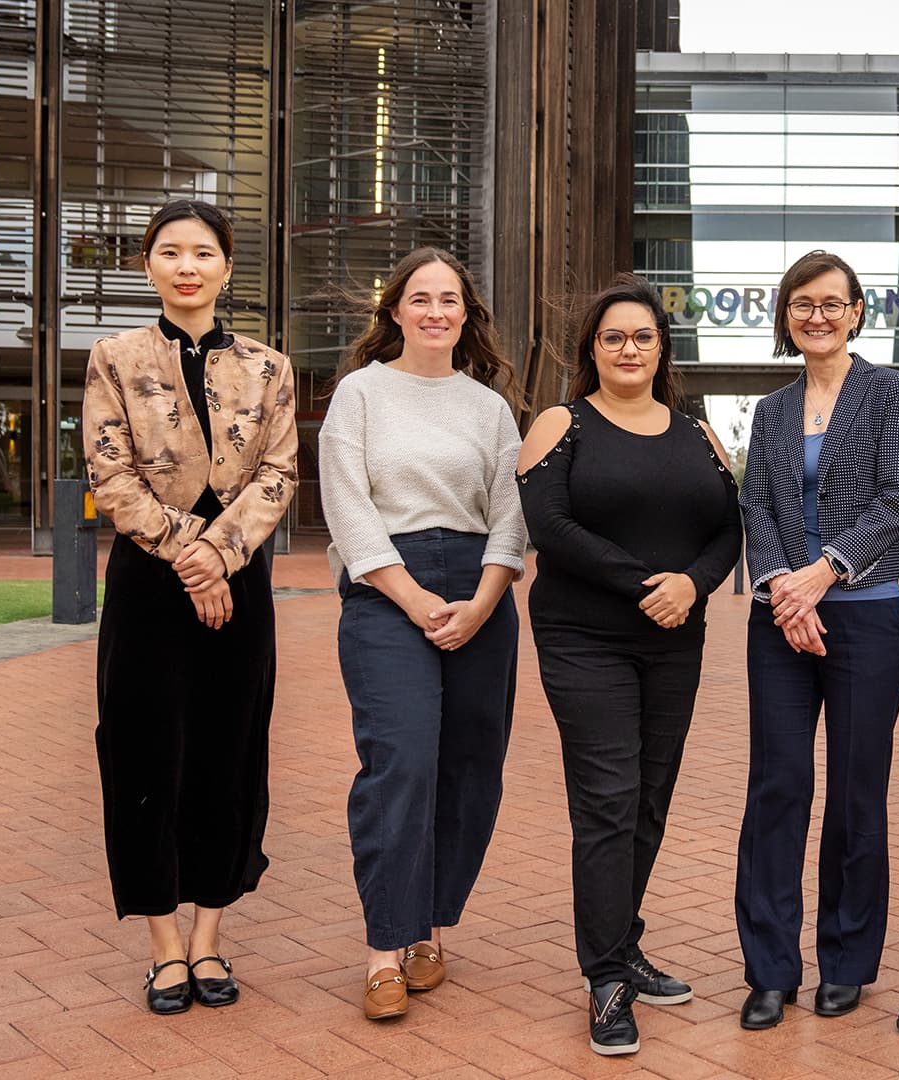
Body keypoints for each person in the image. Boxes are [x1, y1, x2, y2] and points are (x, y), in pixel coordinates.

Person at [517, 274, 742, 1056]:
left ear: (662, 348)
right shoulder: (561, 424)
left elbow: (729, 532)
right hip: (586, 639)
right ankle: (606, 978)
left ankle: (623, 940)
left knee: (649, 800)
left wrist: (693, 586)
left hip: (676, 637)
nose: (628, 348)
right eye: (613, 337)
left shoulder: (698, 434)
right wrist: (649, 584)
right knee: (609, 801)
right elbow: (550, 527)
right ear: (592, 349)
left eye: (642, 336)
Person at [83, 198, 298, 1015]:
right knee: (145, 753)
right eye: (169, 251)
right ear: (147, 266)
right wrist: (189, 555)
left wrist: (220, 556)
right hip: (147, 582)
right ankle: (164, 947)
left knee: (228, 748)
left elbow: (278, 473)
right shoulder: (114, 357)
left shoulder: (270, 368)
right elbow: (111, 472)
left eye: (202, 252)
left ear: (226, 267)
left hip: (240, 577)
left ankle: (211, 936)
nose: (186, 265)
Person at [319, 247, 526, 1021]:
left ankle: (431, 931)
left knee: (472, 767)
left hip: (481, 589)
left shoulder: (490, 408)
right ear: (396, 311)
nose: (436, 311)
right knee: (399, 763)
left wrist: (478, 603)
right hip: (384, 590)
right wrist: (411, 598)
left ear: (466, 315)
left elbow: (512, 513)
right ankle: (385, 948)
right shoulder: (360, 394)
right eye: (420, 299)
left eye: (450, 300)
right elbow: (346, 504)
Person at [734, 249, 899, 1030]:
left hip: (866, 614)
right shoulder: (773, 409)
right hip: (781, 620)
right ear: (787, 316)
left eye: (831, 303)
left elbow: (897, 499)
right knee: (777, 788)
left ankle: (846, 959)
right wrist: (786, 587)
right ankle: (770, 968)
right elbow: (755, 503)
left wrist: (823, 574)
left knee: (854, 790)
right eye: (801, 304)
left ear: (856, 313)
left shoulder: (892, 392)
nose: (817, 315)